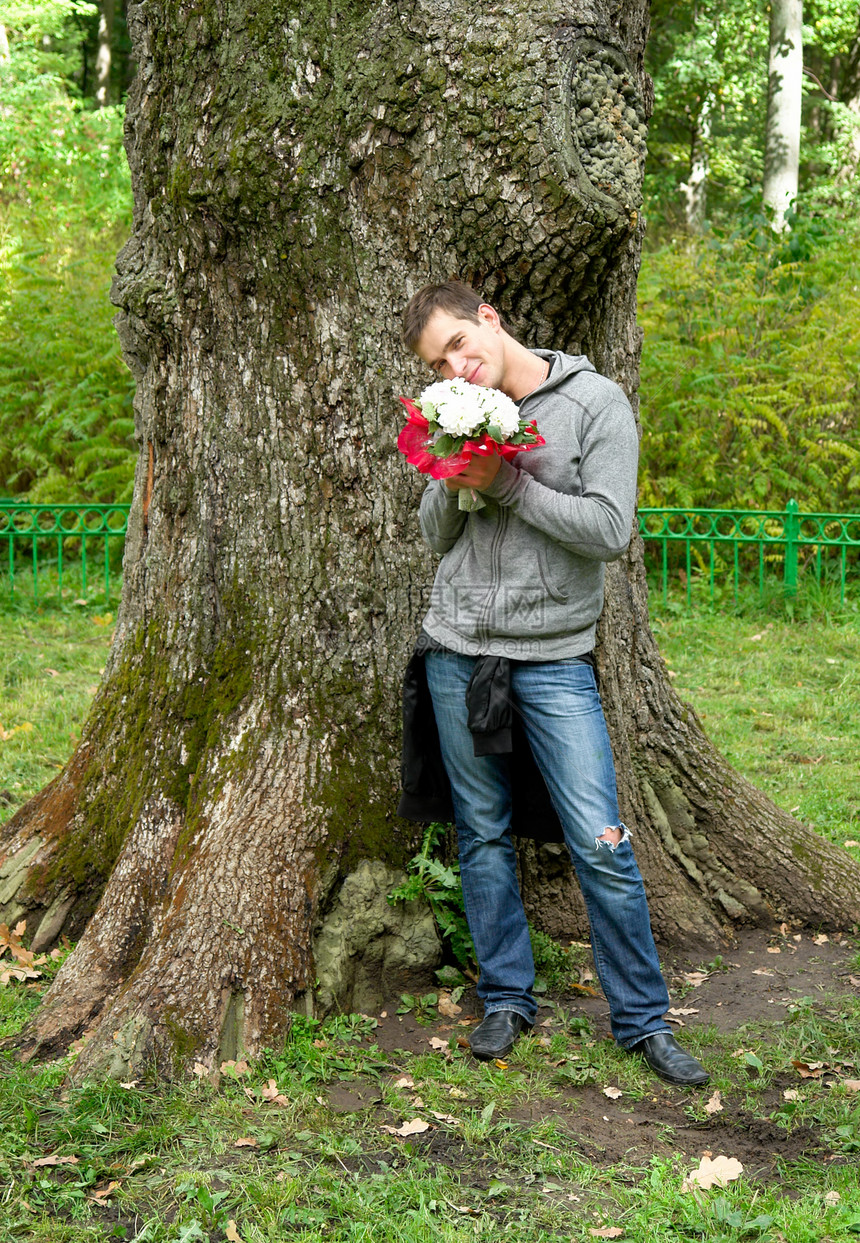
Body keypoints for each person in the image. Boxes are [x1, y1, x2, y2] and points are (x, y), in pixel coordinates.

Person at [400, 280, 708, 1087]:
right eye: (440, 363)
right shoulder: (453, 405)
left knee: (601, 843)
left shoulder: (596, 402)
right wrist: (452, 471)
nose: (459, 367)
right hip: (458, 646)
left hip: (554, 655)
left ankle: (643, 1020)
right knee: (482, 833)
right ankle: (506, 995)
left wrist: (508, 482)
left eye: (462, 346)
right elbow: (435, 538)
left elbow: (609, 529)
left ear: (491, 319)